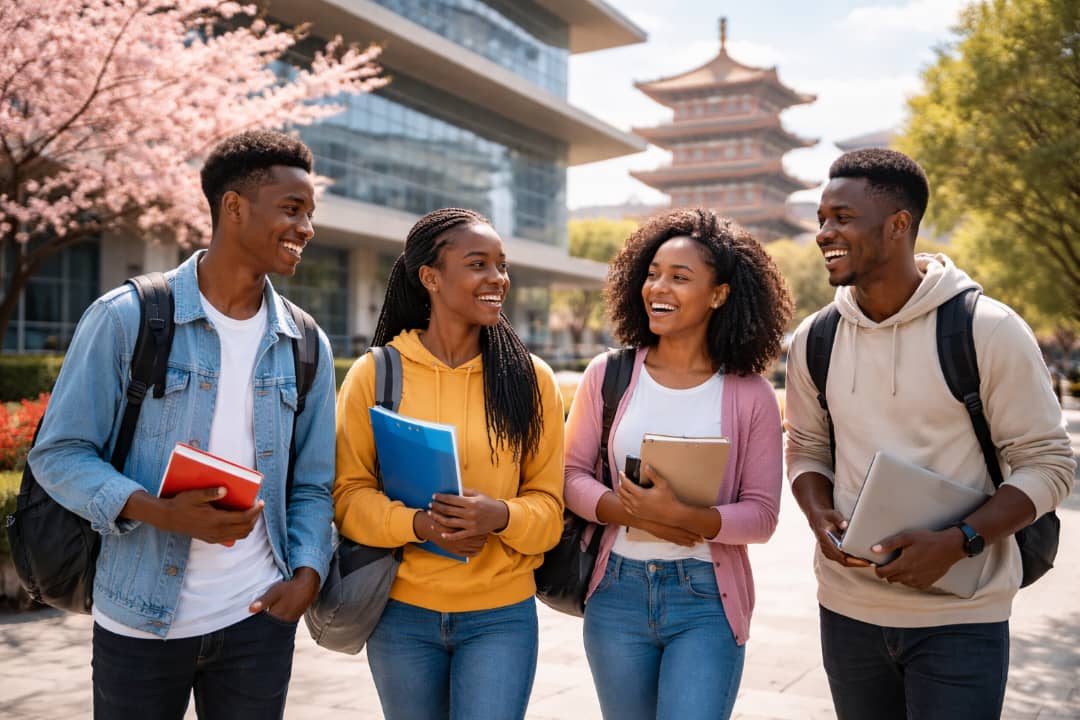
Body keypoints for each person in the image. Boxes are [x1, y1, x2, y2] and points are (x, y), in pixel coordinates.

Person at [28, 130, 338, 719]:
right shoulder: (126, 317)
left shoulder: (305, 342)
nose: (306, 228)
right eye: (292, 209)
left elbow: (313, 484)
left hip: (257, 621)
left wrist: (306, 575)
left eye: (310, 214)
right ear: (234, 206)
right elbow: (59, 452)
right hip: (138, 620)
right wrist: (159, 511)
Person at [785, 148, 1075, 720]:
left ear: (899, 225)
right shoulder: (815, 338)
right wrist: (819, 515)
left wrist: (960, 540)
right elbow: (807, 448)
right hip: (847, 613)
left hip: (961, 618)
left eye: (842, 217)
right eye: (821, 219)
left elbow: (1049, 463)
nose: (823, 233)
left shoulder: (988, 329)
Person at [333, 208, 565, 720]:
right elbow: (347, 498)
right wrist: (419, 525)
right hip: (401, 614)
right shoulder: (376, 374)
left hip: (501, 616)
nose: (497, 278)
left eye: (501, 265)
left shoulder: (532, 380)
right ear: (431, 278)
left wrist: (500, 515)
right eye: (478, 264)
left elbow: (550, 511)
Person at [563, 208, 791, 720]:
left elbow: (762, 516)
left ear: (719, 294)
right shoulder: (607, 373)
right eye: (652, 273)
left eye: (680, 277)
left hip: (706, 599)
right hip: (615, 592)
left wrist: (683, 517)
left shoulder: (751, 394)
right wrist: (630, 512)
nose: (658, 288)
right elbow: (570, 475)